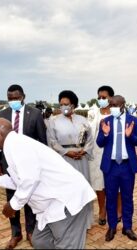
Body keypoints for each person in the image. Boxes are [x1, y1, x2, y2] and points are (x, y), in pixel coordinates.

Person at [0, 118, 96, 249]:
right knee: (40, 241)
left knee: (67, 245)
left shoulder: (17, 145)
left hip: (65, 201)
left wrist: (13, 205)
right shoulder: (13, 145)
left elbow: (29, 180)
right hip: (50, 205)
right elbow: (18, 181)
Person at [0, 84, 47, 249]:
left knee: (29, 197)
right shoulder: (1, 115)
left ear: (23, 97)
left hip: (30, 165)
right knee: (11, 198)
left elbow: (42, 142)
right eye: (10, 98)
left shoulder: (36, 114)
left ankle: (30, 231)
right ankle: (16, 233)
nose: (13, 101)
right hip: (8, 164)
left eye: (16, 98)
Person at [97, 95, 137, 242]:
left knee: (127, 197)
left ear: (123, 105)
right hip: (110, 167)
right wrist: (104, 133)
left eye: (116, 105)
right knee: (110, 197)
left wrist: (129, 136)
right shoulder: (105, 121)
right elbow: (99, 143)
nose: (113, 108)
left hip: (127, 166)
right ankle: (112, 228)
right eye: (111, 105)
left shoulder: (134, 121)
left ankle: (127, 227)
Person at [46, 90, 94, 228]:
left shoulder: (83, 120)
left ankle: (84, 223)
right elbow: (52, 142)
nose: (63, 107)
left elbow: (90, 139)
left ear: (73, 105)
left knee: (83, 188)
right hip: (65, 160)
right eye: (61, 104)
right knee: (67, 189)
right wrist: (67, 152)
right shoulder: (53, 121)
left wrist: (84, 151)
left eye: (66, 104)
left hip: (81, 158)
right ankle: (68, 223)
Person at [88, 85, 122, 226]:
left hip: (114, 153)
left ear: (111, 98)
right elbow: (88, 133)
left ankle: (118, 209)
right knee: (99, 183)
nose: (101, 100)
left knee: (117, 183)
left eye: (104, 97)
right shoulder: (93, 113)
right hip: (96, 153)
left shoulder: (118, 113)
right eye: (99, 97)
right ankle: (102, 209)